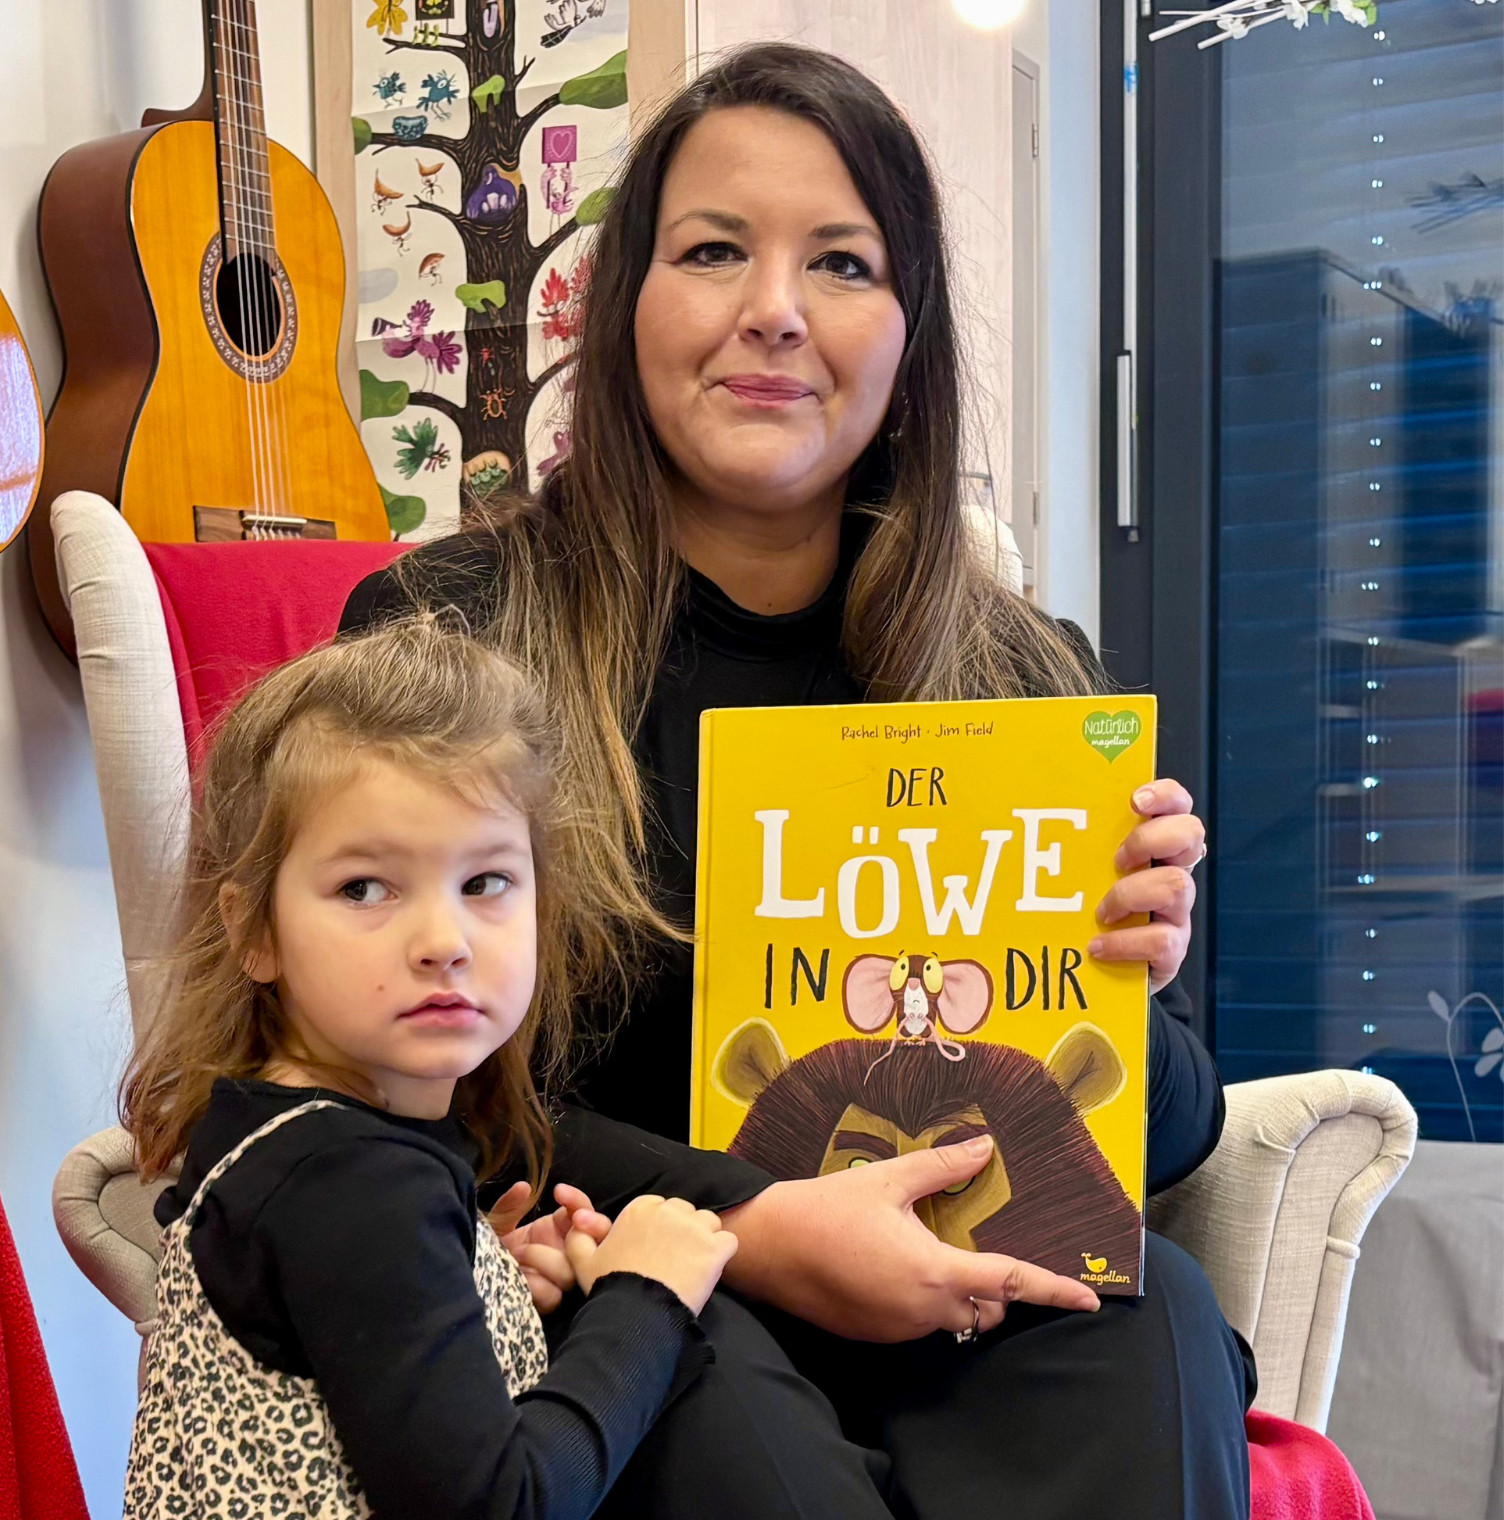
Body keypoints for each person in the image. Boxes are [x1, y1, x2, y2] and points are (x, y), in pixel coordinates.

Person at [344, 41, 1251, 1520]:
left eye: (841, 262)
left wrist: (1127, 981)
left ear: (909, 335)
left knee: (1155, 1344)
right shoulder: (450, 635)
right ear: (627, 304)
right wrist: (754, 1226)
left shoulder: (1027, 676)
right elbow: (381, 1075)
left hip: (976, 1283)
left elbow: (1176, 1131)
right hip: (625, 1273)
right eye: (714, 252)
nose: (773, 312)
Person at [120, 616, 751, 1518]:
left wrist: (478, 1283)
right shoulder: (358, 1184)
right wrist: (645, 1300)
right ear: (252, 928)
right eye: (365, 888)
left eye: (485, 882)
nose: (443, 942)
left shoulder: (273, 1136)